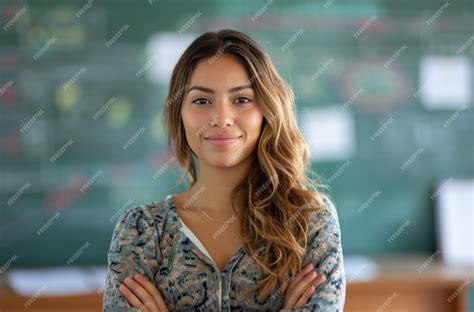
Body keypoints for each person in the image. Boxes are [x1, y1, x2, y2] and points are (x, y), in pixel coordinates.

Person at [103, 29, 345, 311]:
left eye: (241, 100)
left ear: (267, 110)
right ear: (179, 114)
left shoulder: (310, 222)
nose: (221, 118)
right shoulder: (141, 231)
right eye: (201, 101)